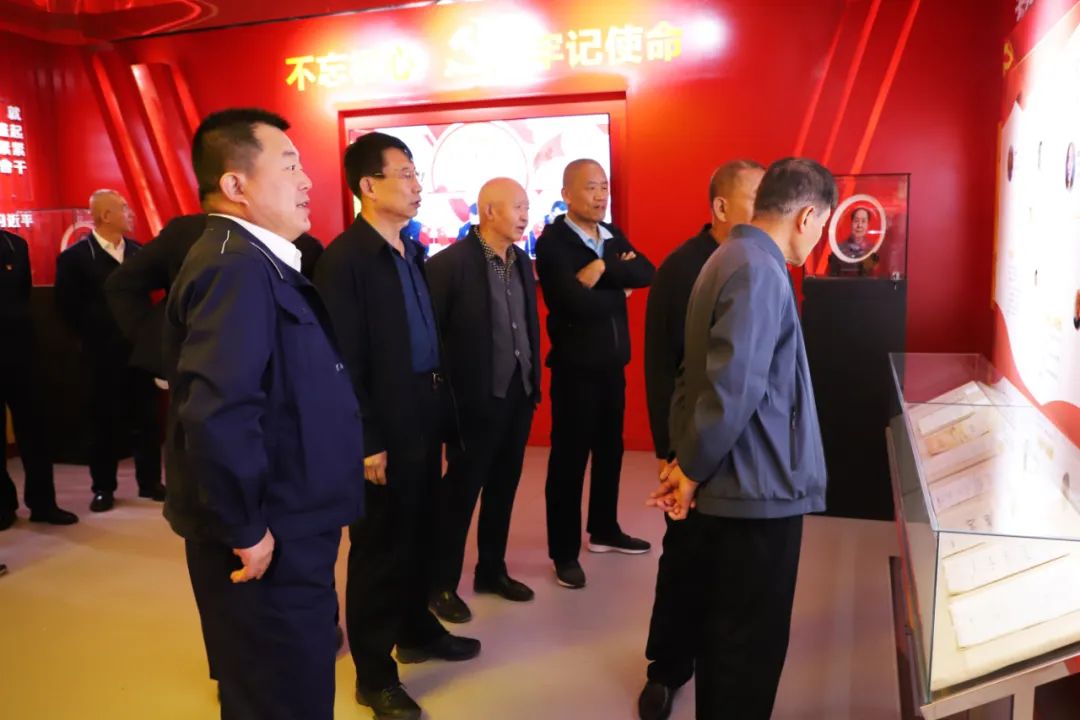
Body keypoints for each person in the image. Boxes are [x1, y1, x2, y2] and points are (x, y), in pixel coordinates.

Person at [163, 107, 364, 720]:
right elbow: (218, 412)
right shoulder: (235, 266)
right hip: (269, 534)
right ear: (236, 184)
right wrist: (244, 528)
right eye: (290, 165)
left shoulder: (260, 259)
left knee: (293, 678)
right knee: (281, 693)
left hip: (292, 515)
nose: (307, 180)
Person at [649, 157, 836, 720]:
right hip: (757, 491)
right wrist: (690, 468)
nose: (819, 237)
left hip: (739, 483)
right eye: (822, 224)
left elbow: (695, 377)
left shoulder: (729, 256)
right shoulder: (758, 269)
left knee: (726, 639)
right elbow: (732, 387)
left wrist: (688, 462)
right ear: (807, 216)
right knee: (747, 651)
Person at [315, 131, 480, 720]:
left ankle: (414, 630)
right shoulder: (346, 260)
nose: (417, 184)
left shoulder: (408, 249)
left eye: (415, 173)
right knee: (380, 548)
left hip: (424, 409)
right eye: (405, 174)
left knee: (421, 530)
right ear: (368, 185)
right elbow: (341, 360)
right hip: (384, 420)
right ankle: (373, 674)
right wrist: (367, 440)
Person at [638, 159, 764, 720]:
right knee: (684, 559)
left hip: (746, 451)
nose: (767, 211)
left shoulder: (760, 263)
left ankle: (724, 666)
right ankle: (666, 668)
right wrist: (670, 451)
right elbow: (660, 366)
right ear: (720, 206)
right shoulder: (682, 268)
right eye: (756, 199)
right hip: (691, 446)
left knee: (737, 568)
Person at [534, 158, 656, 589]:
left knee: (610, 451)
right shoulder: (553, 243)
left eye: (604, 186)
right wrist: (620, 291)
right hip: (575, 371)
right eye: (591, 187)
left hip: (612, 366)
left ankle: (604, 529)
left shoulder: (610, 234)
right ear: (567, 194)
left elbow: (646, 271)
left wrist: (603, 268)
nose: (601, 194)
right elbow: (572, 303)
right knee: (569, 461)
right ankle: (564, 553)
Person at [425, 178, 542, 624]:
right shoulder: (449, 265)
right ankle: (440, 584)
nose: (526, 215)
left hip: (518, 393)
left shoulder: (521, 261)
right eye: (518, 207)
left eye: (527, 206)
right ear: (490, 211)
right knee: (460, 494)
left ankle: (491, 570)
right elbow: (432, 340)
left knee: (503, 488)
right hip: (473, 401)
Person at [105, 213, 324, 380]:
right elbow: (122, 284)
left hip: (276, 376)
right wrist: (159, 342)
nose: (303, 184)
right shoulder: (188, 233)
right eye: (288, 171)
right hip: (194, 373)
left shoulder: (305, 247)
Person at [54, 190, 165, 512]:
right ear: (105, 216)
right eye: (124, 208)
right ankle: (103, 487)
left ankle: (150, 482)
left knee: (147, 419)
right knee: (102, 422)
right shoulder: (75, 258)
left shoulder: (139, 253)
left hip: (139, 352)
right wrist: (93, 337)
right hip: (100, 356)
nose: (130, 213)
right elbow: (67, 308)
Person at [0, 229, 78, 530]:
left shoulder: (16, 244)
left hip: (21, 352)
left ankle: (43, 503)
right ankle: (3, 506)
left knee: (35, 429)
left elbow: (21, 295)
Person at [827, 206, 877, 277]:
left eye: (863, 221)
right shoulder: (839, 251)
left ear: (868, 225)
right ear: (851, 223)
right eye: (856, 221)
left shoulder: (873, 250)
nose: (859, 225)